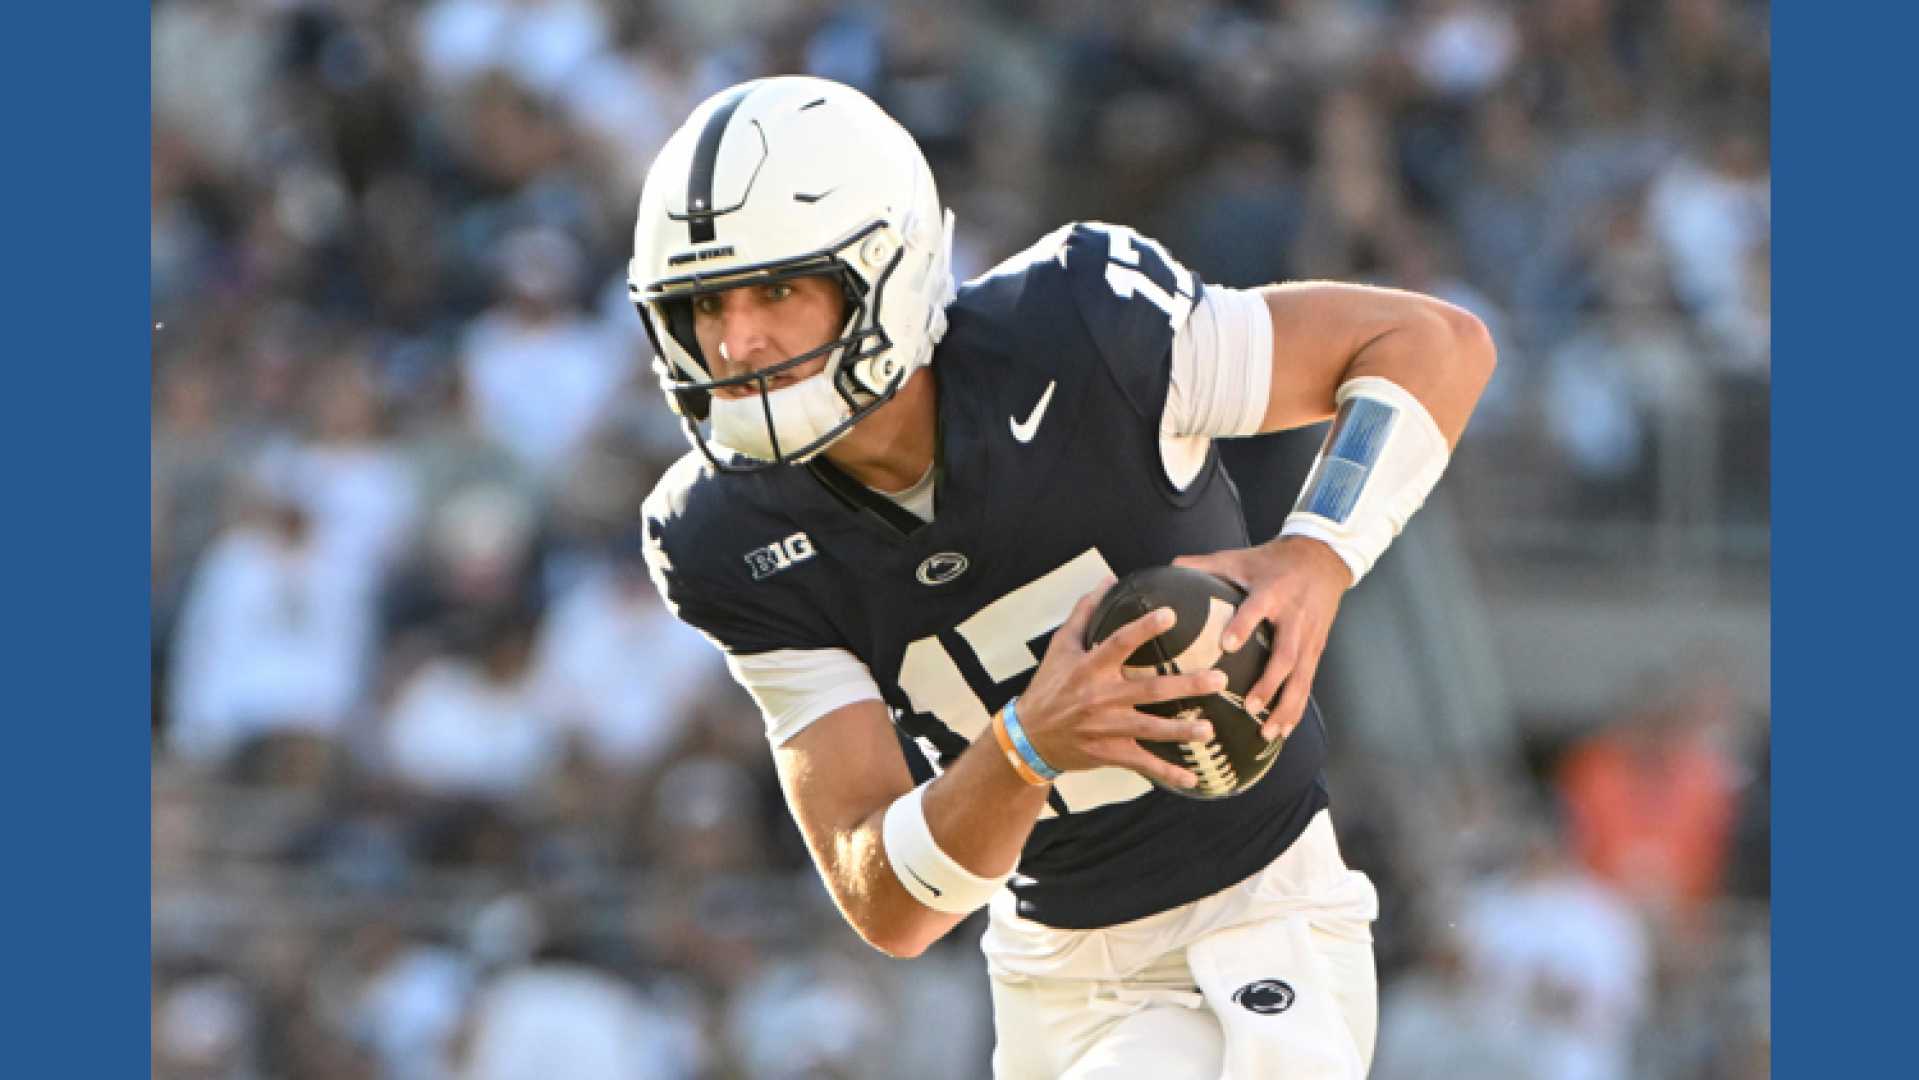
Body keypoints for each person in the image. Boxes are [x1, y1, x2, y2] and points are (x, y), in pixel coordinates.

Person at [626, 76, 1494, 1078]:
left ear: (885, 266)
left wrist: (1316, 555)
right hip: (1048, 971)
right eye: (706, 306)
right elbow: (885, 903)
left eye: (777, 290)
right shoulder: (720, 533)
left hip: (1261, 916)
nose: (737, 342)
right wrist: (1024, 749)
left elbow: (1432, 344)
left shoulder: (1081, 332)